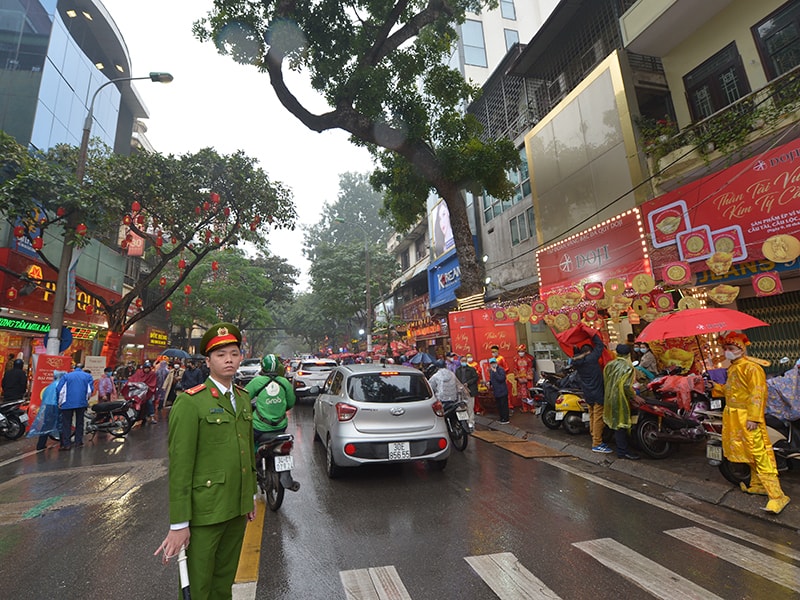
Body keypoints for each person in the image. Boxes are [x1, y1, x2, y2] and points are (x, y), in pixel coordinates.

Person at [154, 322, 257, 599]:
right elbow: (180, 466)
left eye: (234, 354)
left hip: (235, 509)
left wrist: (248, 498)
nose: (229, 360)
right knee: (198, 588)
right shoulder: (190, 403)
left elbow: (247, 450)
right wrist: (179, 524)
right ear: (208, 361)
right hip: (204, 513)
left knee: (224, 584)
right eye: (221, 354)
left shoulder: (243, 399)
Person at [713, 332, 790, 515]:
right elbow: (731, 391)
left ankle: (777, 496)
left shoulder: (751, 368)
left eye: (731, 348)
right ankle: (758, 485)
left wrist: (754, 418)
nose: (727, 352)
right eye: (725, 349)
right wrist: (714, 388)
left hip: (747, 417)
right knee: (748, 453)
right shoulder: (733, 368)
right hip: (733, 417)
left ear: (741, 348)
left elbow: (758, 394)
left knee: (759, 453)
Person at [571, 334, 610, 453]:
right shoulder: (591, 359)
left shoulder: (577, 363)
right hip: (597, 392)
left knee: (592, 415)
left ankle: (594, 435)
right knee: (598, 418)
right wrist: (592, 334)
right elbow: (599, 346)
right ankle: (597, 443)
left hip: (587, 392)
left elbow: (576, 354)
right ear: (589, 352)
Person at [246, 354, 296, 444]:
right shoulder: (284, 382)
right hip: (281, 426)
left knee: (247, 443)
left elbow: (243, 398)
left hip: (259, 427)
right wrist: (277, 407)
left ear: (263, 366)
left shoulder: (257, 381)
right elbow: (291, 403)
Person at [602, 344, 639, 460]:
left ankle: (622, 449)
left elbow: (606, 381)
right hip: (620, 398)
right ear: (629, 354)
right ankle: (622, 451)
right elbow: (627, 386)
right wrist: (635, 397)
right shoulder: (628, 367)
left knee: (615, 423)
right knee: (621, 425)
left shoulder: (609, 365)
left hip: (609, 398)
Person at [56, 364, 93, 450]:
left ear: (74, 368)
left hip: (67, 403)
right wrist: (86, 399)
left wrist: (60, 402)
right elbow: (89, 391)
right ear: (82, 368)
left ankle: (66, 444)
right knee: (79, 422)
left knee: (66, 424)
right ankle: (78, 441)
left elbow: (59, 389)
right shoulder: (88, 376)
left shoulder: (66, 376)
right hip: (81, 403)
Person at [29, 370, 66, 450]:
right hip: (58, 406)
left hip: (48, 406)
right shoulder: (62, 385)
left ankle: (41, 444)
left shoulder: (50, 386)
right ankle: (63, 443)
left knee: (46, 425)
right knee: (61, 424)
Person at [127, 360, 158, 425]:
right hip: (138, 393)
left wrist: (147, 387)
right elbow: (133, 379)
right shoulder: (139, 373)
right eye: (145, 368)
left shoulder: (152, 374)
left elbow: (152, 384)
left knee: (149, 403)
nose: (146, 370)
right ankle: (130, 417)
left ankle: (152, 417)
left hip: (147, 394)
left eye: (148, 368)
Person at [455, 354, 480, 427]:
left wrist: (468, 383)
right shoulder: (458, 370)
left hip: (470, 390)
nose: (464, 362)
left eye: (465, 361)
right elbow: (456, 379)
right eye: (462, 361)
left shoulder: (471, 369)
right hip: (461, 391)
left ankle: (471, 421)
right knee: (463, 406)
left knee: (470, 406)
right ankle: (464, 420)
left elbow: (476, 378)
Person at [511, 344, 536, 413]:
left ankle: (532, 407)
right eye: (519, 351)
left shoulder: (528, 359)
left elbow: (530, 369)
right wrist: (518, 378)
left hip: (527, 380)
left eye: (522, 351)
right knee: (523, 394)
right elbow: (515, 369)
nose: (521, 352)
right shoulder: (515, 359)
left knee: (529, 394)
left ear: (524, 351)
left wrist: (527, 378)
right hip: (520, 379)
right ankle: (524, 408)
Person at [488, 357, 509, 424]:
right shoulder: (491, 370)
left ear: (496, 363)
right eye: (491, 363)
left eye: (494, 363)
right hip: (496, 391)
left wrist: (495, 372)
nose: (493, 365)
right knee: (499, 405)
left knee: (504, 405)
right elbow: (492, 379)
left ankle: (506, 419)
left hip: (502, 390)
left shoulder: (500, 370)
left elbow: (501, 379)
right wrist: (489, 382)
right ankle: (501, 418)